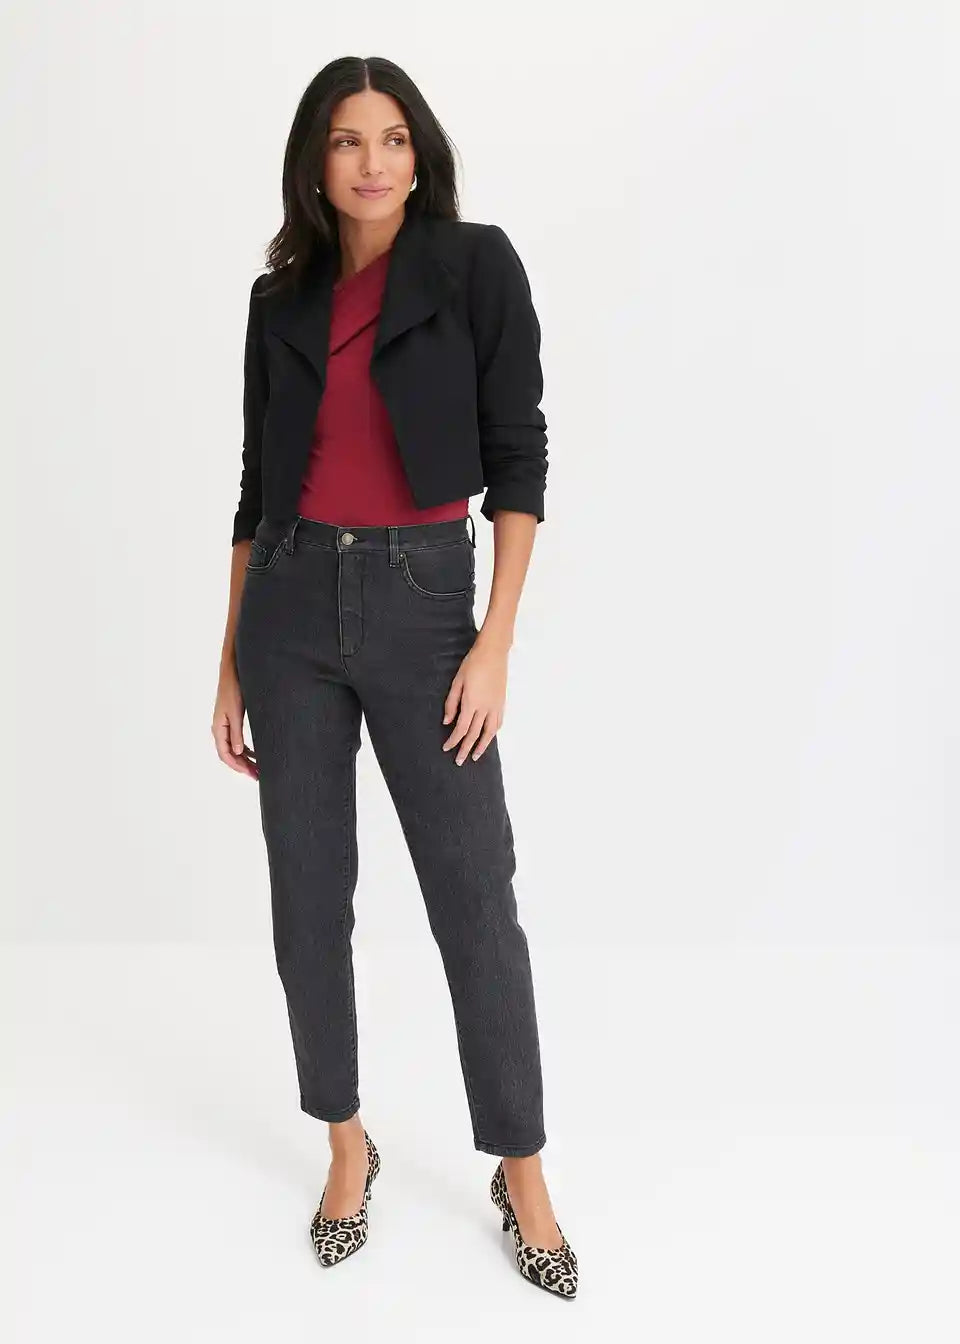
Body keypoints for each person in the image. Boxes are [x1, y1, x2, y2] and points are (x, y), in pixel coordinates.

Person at [212, 55, 577, 1299]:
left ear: (419, 157)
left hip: (427, 605)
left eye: (392, 138)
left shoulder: (475, 267)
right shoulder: (279, 300)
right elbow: (256, 490)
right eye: (345, 140)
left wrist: (495, 640)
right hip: (290, 610)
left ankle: (521, 1169)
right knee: (308, 901)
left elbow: (519, 459)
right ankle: (345, 1145)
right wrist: (228, 659)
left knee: (475, 898)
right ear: (314, 165)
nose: (371, 161)